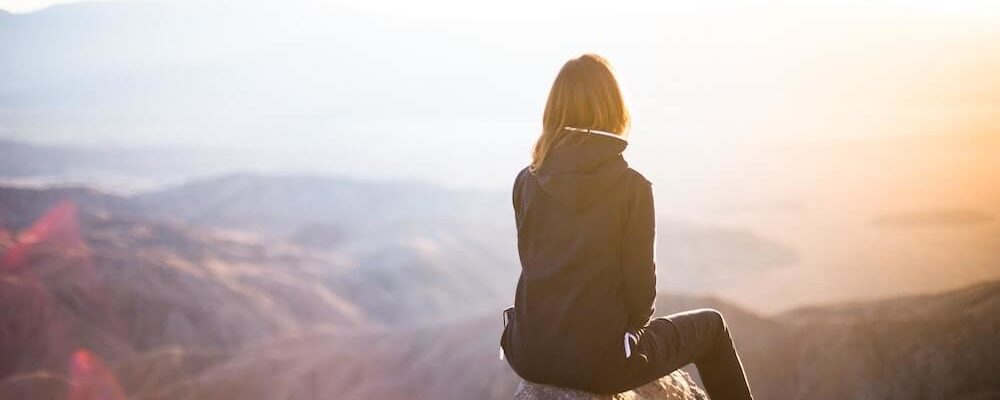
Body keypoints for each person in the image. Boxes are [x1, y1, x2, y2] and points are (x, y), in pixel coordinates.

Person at [500, 53, 755, 399]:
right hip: (601, 365)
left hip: (528, 354)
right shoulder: (631, 188)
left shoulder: (525, 182)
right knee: (713, 327)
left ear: (553, 111)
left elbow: (536, 266)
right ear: (613, 108)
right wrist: (626, 331)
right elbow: (641, 297)